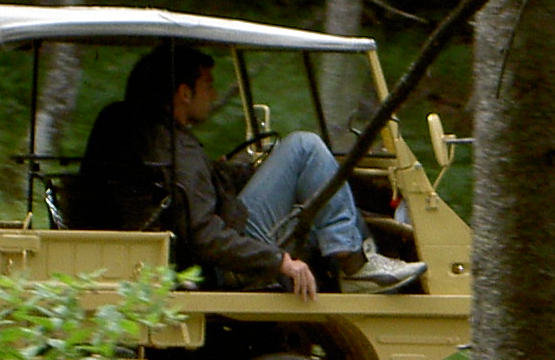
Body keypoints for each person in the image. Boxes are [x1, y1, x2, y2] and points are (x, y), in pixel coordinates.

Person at [119, 43, 424, 296]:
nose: (213, 95)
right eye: (208, 85)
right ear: (184, 94)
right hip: (223, 264)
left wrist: (253, 170)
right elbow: (205, 235)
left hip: (205, 253)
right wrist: (279, 261)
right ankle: (356, 265)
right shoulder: (177, 150)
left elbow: (201, 189)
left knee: (315, 210)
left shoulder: (155, 137)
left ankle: (355, 266)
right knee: (305, 147)